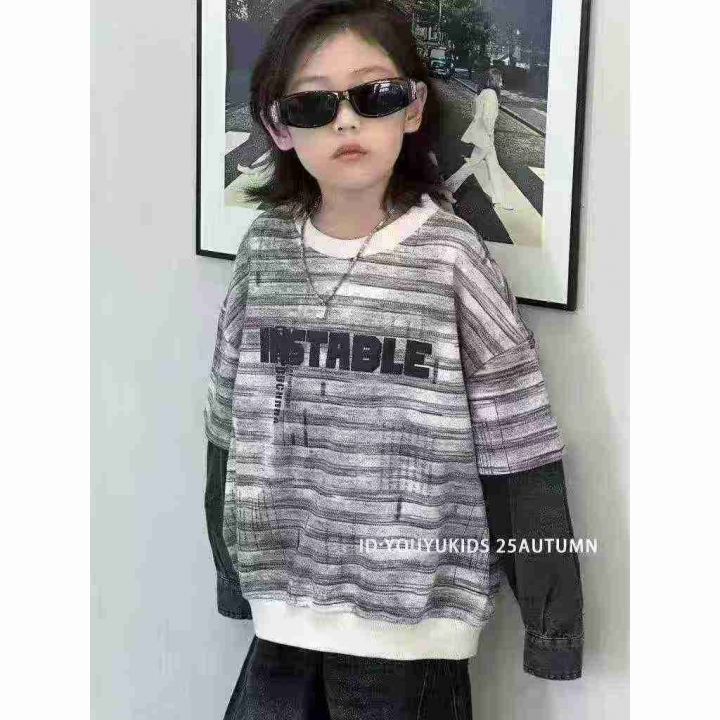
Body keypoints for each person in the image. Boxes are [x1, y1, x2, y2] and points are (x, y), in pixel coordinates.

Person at [203, 2, 584, 718]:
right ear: (279, 128)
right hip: (281, 616)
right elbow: (228, 423)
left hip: (413, 635)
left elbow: (520, 447)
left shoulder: (451, 258)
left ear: (412, 108)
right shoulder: (264, 250)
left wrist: (552, 623)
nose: (346, 122)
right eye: (314, 104)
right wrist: (233, 572)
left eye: (373, 95)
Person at [444, 68, 514, 210]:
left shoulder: (481, 93)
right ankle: (447, 188)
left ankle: (499, 198)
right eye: (500, 80)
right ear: (494, 81)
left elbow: (474, 112)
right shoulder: (492, 94)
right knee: (473, 165)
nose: (501, 83)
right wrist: (489, 135)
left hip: (482, 136)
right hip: (486, 138)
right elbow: (488, 118)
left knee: (493, 167)